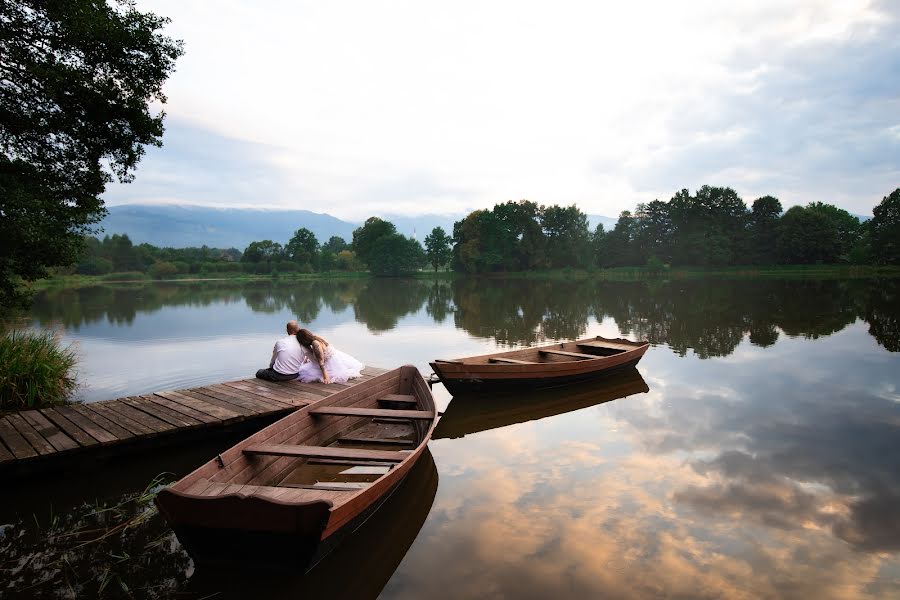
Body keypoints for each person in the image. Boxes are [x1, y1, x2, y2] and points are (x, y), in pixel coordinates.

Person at [295, 328, 364, 384]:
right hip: (334, 356)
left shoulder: (315, 344)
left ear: (303, 340)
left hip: (330, 363)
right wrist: (308, 357)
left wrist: (325, 376)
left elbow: (321, 360)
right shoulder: (315, 338)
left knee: (307, 373)